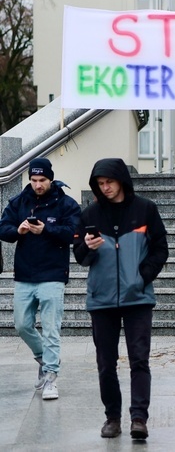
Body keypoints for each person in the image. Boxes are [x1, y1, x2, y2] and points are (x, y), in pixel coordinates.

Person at [73, 158, 169, 440]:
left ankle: (139, 418)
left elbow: (160, 249)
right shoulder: (89, 214)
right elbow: (79, 256)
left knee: (139, 359)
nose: (105, 188)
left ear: (122, 181)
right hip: (101, 300)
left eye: (109, 182)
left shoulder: (145, 209)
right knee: (106, 363)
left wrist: (142, 277)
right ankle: (112, 418)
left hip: (137, 298)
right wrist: (88, 248)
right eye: (100, 184)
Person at [0, 158, 81, 401]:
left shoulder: (66, 203)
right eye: (34, 180)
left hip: (53, 275)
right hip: (25, 275)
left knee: (50, 329)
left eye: (42, 180)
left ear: (50, 179)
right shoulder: (18, 202)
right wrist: (19, 230)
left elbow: (74, 234)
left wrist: (46, 229)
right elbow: (3, 228)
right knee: (22, 325)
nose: (37, 185)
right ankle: (45, 359)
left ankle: (51, 378)